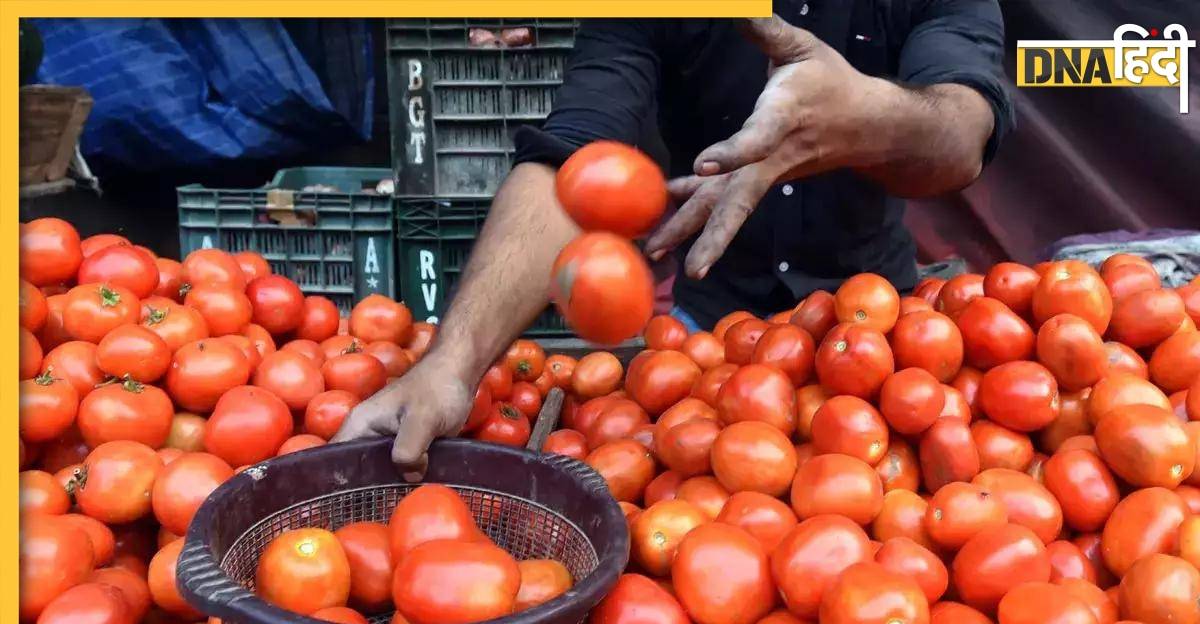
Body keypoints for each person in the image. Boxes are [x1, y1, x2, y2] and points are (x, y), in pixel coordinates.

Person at [335, 5, 1012, 475]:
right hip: (708, 346)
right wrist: (453, 364)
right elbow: (575, 161)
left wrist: (864, 122)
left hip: (883, 341)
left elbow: (963, 131)